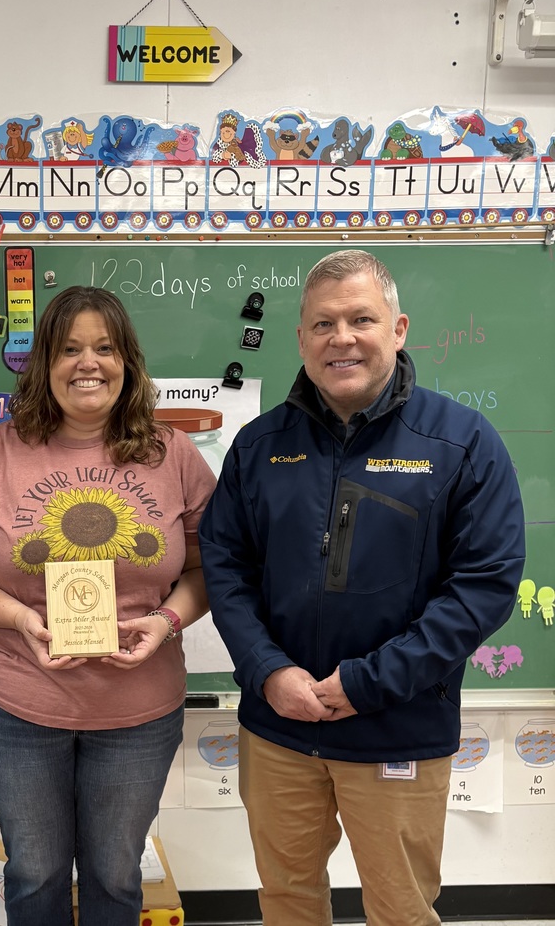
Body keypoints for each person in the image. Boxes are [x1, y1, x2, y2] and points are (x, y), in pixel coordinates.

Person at [198, 249, 525, 926]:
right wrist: (267, 671)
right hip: (279, 727)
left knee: (402, 909)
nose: (340, 338)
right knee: (286, 901)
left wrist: (367, 682)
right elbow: (224, 568)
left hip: (395, 728)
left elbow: (484, 586)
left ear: (398, 329)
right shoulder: (258, 446)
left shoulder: (461, 443)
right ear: (300, 339)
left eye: (360, 319)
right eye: (322, 324)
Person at [0, 286, 216, 926]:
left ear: (128, 362)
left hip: (139, 711)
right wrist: (20, 619)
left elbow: (210, 569)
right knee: (34, 873)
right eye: (69, 349)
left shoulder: (175, 454)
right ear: (43, 364)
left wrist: (168, 621)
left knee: (117, 876)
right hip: (17, 704)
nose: (89, 363)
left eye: (105, 348)